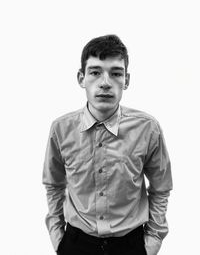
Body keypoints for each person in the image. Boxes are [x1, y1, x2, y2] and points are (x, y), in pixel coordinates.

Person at [42, 34, 173, 255]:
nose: (105, 82)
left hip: (130, 245)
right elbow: (54, 185)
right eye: (95, 72)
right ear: (81, 78)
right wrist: (59, 240)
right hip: (76, 243)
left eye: (115, 73)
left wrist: (151, 243)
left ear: (127, 80)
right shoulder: (60, 129)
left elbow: (161, 188)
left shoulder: (148, 128)